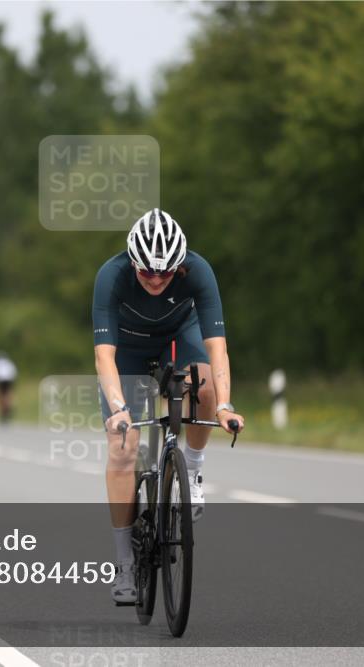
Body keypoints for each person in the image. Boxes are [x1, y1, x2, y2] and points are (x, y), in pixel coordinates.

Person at [92, 208, 245, 604]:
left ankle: (191, 467)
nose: (157, 280)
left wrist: (225, 405)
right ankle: (125, 563)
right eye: (147, 273)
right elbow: (104, 356)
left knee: (204, 385)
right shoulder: (112, 275)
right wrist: (119, 408)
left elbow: (217, 347)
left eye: (166, 272)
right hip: (127, 349)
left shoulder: (199, 270)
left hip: (179, 336)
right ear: (133, 262)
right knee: (123, 447)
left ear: (180, 264)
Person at [0, 352, 17, 423]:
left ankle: (2, 409)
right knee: (7, 393)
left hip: (0, 379)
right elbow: (14, 372)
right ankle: (8, 406)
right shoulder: (9, 362)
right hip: (9, 379)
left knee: (0, 395)